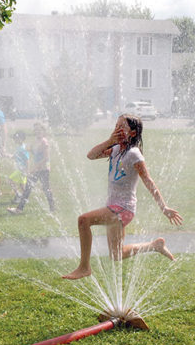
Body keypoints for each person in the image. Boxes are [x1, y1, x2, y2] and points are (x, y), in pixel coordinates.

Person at [62, 114, 183, 280]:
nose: (117, 129)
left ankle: (84, 267)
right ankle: (154, 246)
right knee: (117, 254)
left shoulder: (134, 154)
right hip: (114, 206)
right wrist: (110, 140)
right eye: (116, 125)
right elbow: (91, 155)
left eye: (122, 127)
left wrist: (164, 208)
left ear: (132, 133)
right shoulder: (116, 149)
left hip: (123, 208)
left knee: (84, 220)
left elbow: (148, 181)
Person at [7, 122, 55, 214]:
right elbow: (29, 150)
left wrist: (35, 168)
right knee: (30, 187)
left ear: (43, 131)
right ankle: (19, 209)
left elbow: (46, 158)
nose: (37, 131)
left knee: (45, 188)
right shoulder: (36, 141)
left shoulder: (44, 142)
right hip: (38, 169)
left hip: (43, 169)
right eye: (35, 130)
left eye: (39, 130)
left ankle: (52, 208)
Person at [7, 131, 29, 203]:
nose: (14, 140)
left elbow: (27, 160)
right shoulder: (19, 147)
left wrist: (26, 171)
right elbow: (16, 156)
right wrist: (8, 155)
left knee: (10, 180)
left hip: (22, 170)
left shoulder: (23, 148)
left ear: (21, 139)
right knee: (22, 185)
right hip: (20, 169)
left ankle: (19, 195)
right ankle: (24, 198)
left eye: (16, 138)